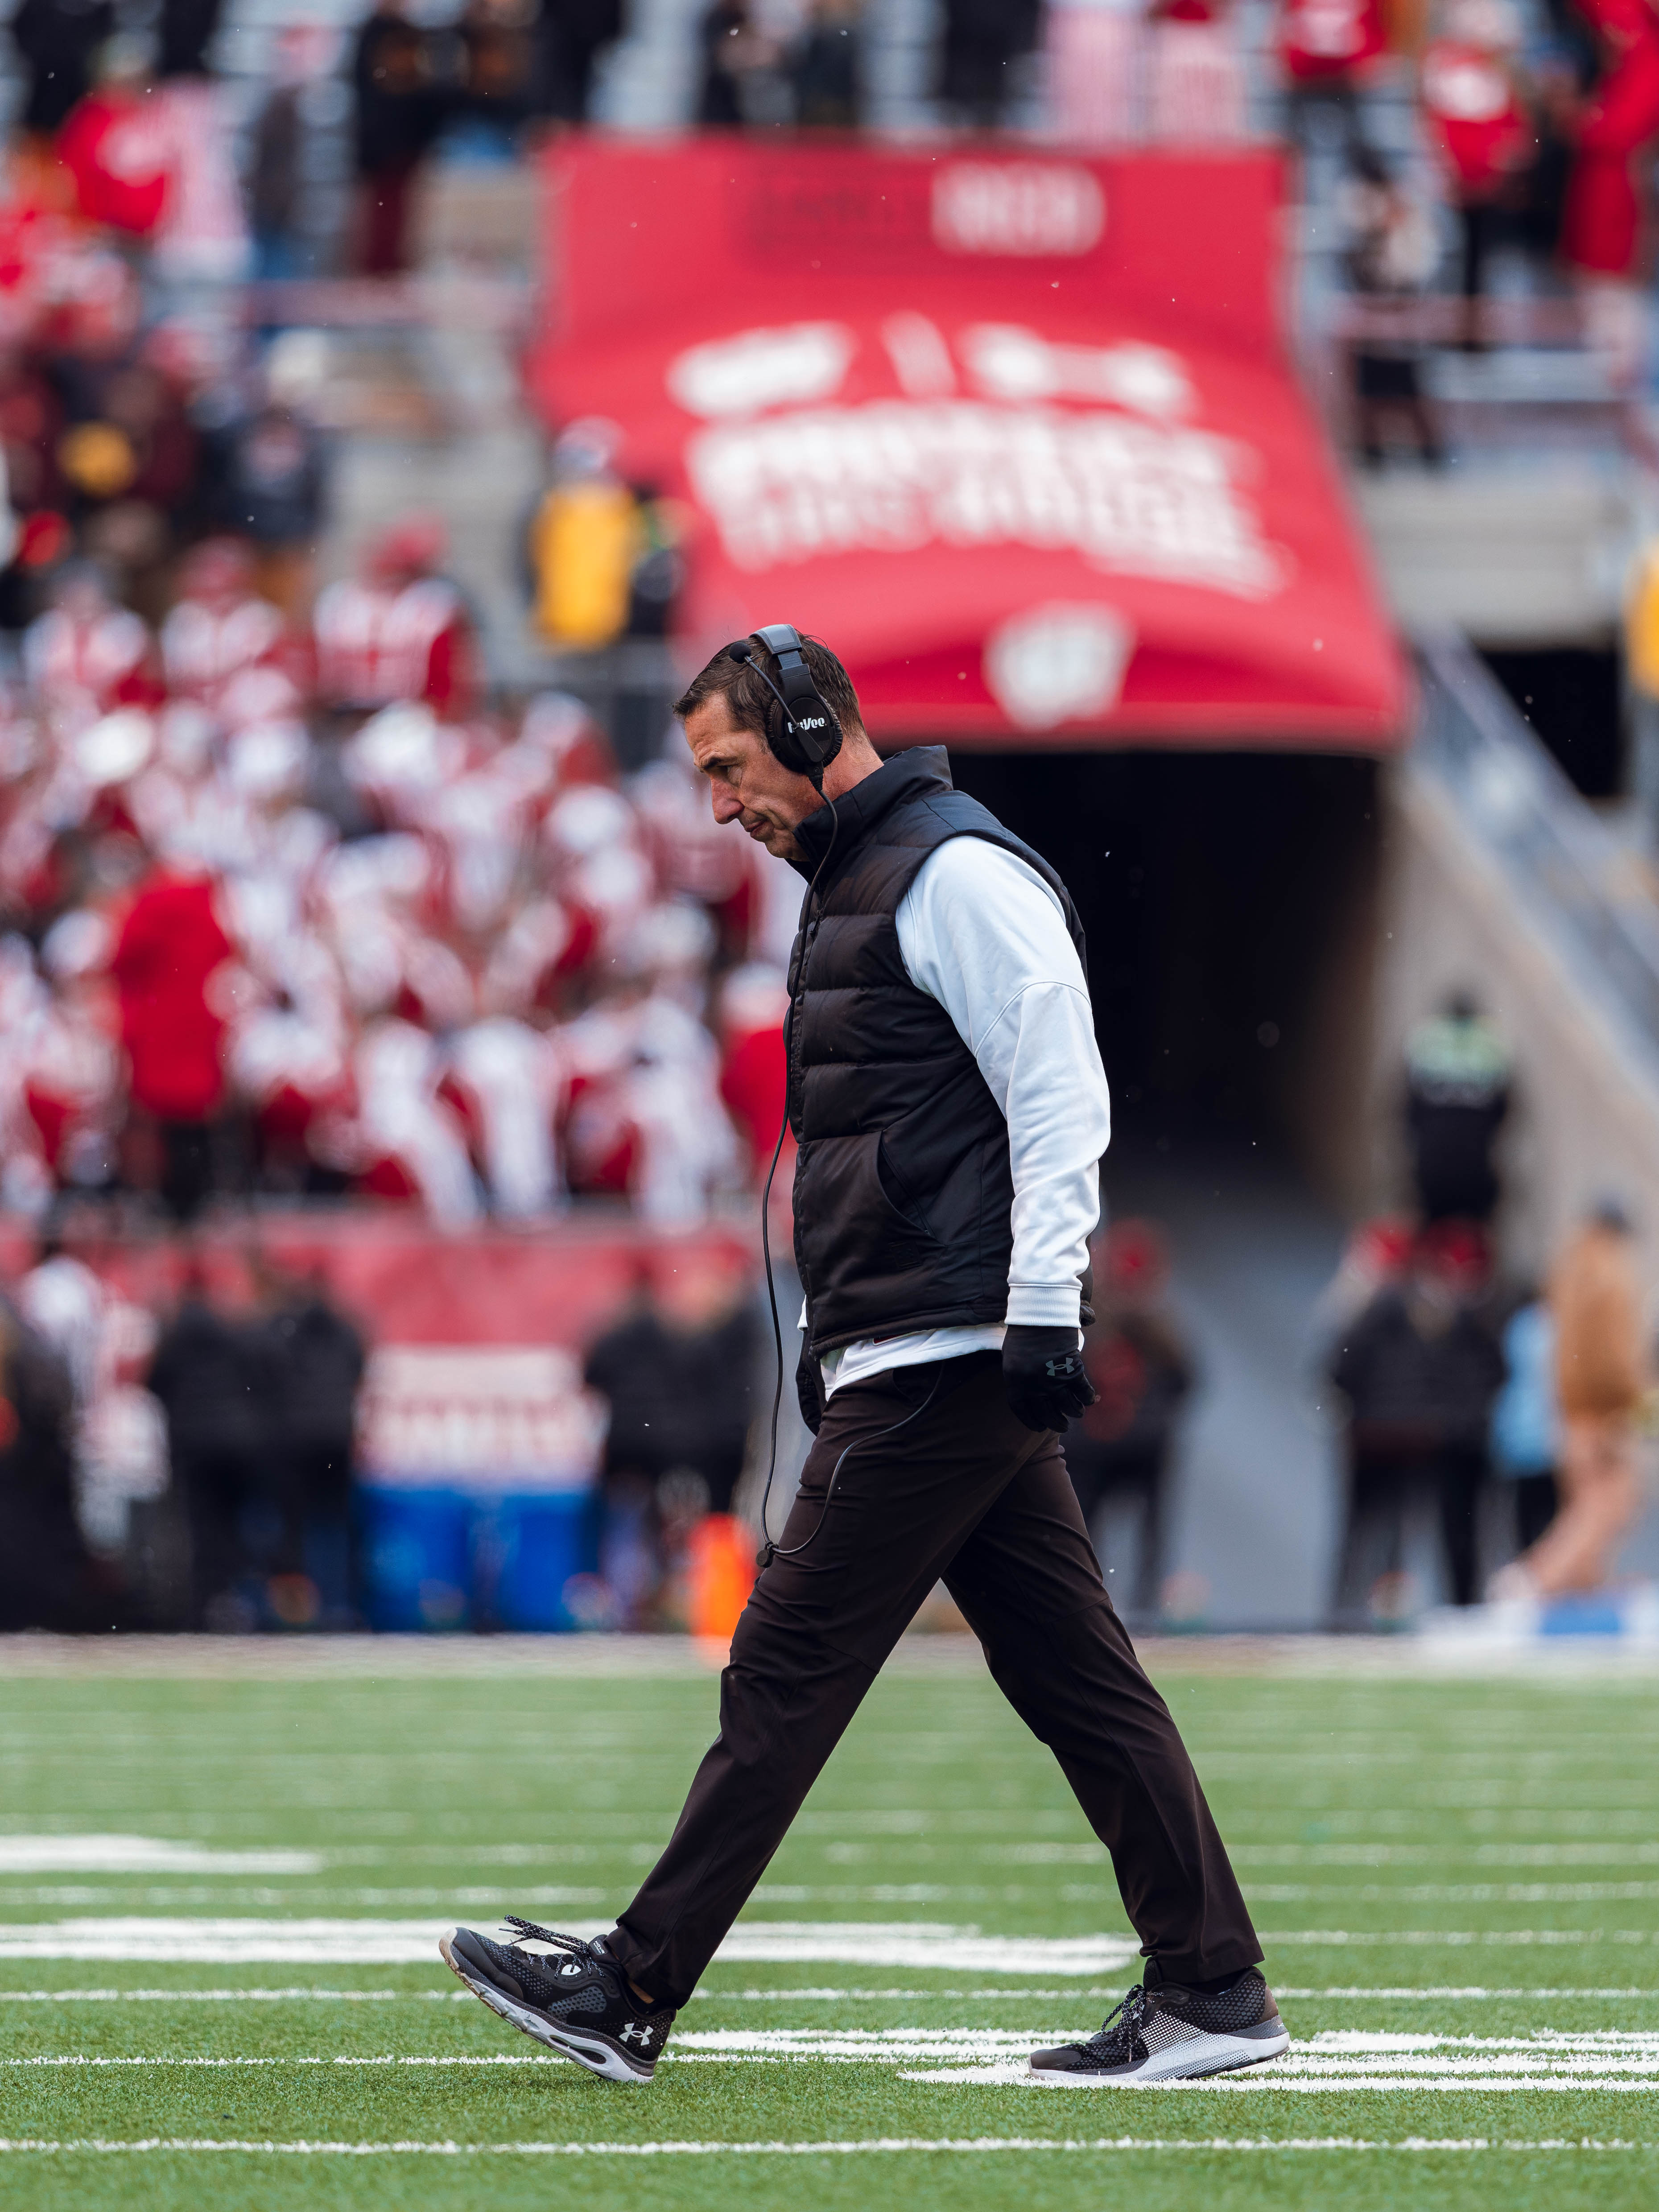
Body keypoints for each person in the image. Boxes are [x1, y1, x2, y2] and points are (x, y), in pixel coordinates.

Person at [440, 627, 1287, 2088]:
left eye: (729, 765)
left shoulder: (950, 872)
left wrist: (1041, 1301)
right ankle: (1212, 1987)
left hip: (950, 1353)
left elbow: (1057, 1077)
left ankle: (632, 1986)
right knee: (1082, 1686)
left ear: (814, 726)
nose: (721, 803)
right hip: (923, 1342)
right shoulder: (868, 881)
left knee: (785, 1664)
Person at [1328, 1222, 1507, 1618]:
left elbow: (1341, 1367)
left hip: (1381, 1438)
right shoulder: (1451, 1318)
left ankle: (1350, 1609)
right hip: (1419, 1439)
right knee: (1425, 1531)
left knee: (1370, 1532)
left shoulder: (1382, 1311)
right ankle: (1433, 1607)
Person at [1492, 1201, 1647, 1601]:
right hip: (1598, 1413)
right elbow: (1611, 1359)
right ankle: (1532, 1580)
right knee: (1607, 1506)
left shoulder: (1571, 1272)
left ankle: (1578, 1589)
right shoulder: (1608, 1276)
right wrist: (1629, 1401)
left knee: (1590, 1505)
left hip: (1572, 1414)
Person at [1067, 1217, 1194, 1622]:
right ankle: (1129, 1606)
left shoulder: (1094, 1316)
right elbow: (1186, 1380)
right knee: (1116, 1532)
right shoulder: (1158, 1324)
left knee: (1092, 1531)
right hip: (1124, 1445)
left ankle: (1101, 1606)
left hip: (1103, 1445)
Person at [1402, 993, 1512, 1223]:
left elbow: (1407, 1111)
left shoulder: (1426, 1042)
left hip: (1430, 1168)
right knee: (1474, 1229)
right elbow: (1503, 1111)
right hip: (1476, 1168)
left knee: (1431, 1230)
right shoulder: (1490, 1044)